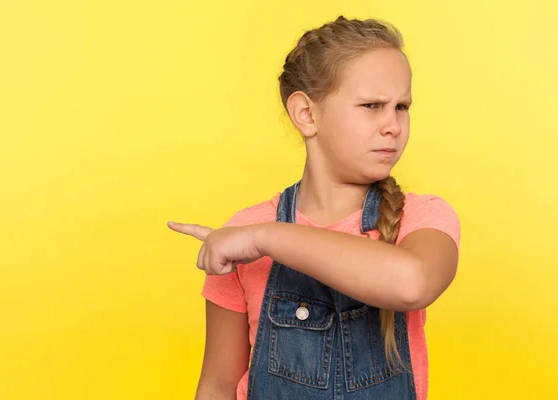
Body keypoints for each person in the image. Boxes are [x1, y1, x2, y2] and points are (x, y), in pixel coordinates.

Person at [168, 15, 460, 400]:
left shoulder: (422, 218)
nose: (393, 125)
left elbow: (411, 283)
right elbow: (217, 386)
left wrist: (265, 239)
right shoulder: (242, 230)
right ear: (306, 114)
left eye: (401, 106)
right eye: (372, 105)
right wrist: (254, 234)